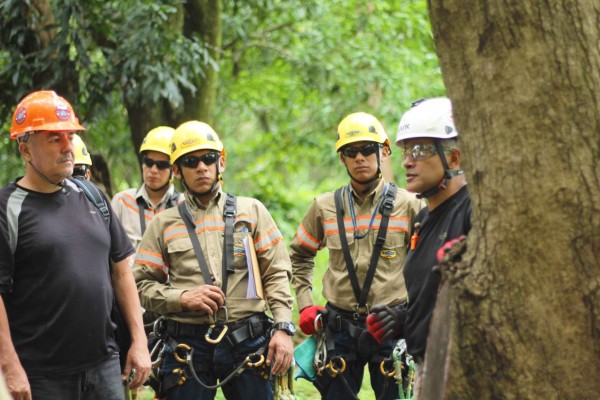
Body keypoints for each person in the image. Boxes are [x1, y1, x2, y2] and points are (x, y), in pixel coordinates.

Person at [0, 90, 151, 400]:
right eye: (55, 138)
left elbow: (122, 273)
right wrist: (9, 365)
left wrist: (139, 340)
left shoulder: (92, 197)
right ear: (26, 150)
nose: (68, 147)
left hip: (104, 366)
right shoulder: (7, 208)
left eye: (70, 136)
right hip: (40, 374)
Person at [132, 120, 295, 399]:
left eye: (208, 158)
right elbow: (140, 286)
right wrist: (182, 298)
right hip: (187, 346)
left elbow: (276, 273)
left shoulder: (252, 211)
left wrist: (282, 327)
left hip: (248, 342)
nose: (201, 167)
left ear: (221, 162)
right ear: (177, 171)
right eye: (191, 161)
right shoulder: (163, 224)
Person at [289, 112, 423, 399]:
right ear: (343, 158)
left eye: (366, 150)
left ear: (383, 152)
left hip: (390, 324)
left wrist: (414, 312)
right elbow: (299, 255)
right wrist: (305, 305)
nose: (359, 157)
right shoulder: (324, 207)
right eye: (351, 152)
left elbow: (428, 263)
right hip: (339, 328)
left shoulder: (410, 205)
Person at [366, 97, 472, 395]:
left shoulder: (471, 211)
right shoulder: (424, 218)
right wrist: (403, 319)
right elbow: (434, 293)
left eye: (420, 150)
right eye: (405, 151)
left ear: (453, 159)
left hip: (462, 372)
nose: (407, 161)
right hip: (430, 366)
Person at [112, 126, 183, 250]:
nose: (153, 170)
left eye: (161, 165)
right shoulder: (122, 202)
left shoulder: (184, 206)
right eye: (149, 162)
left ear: (174, 169)